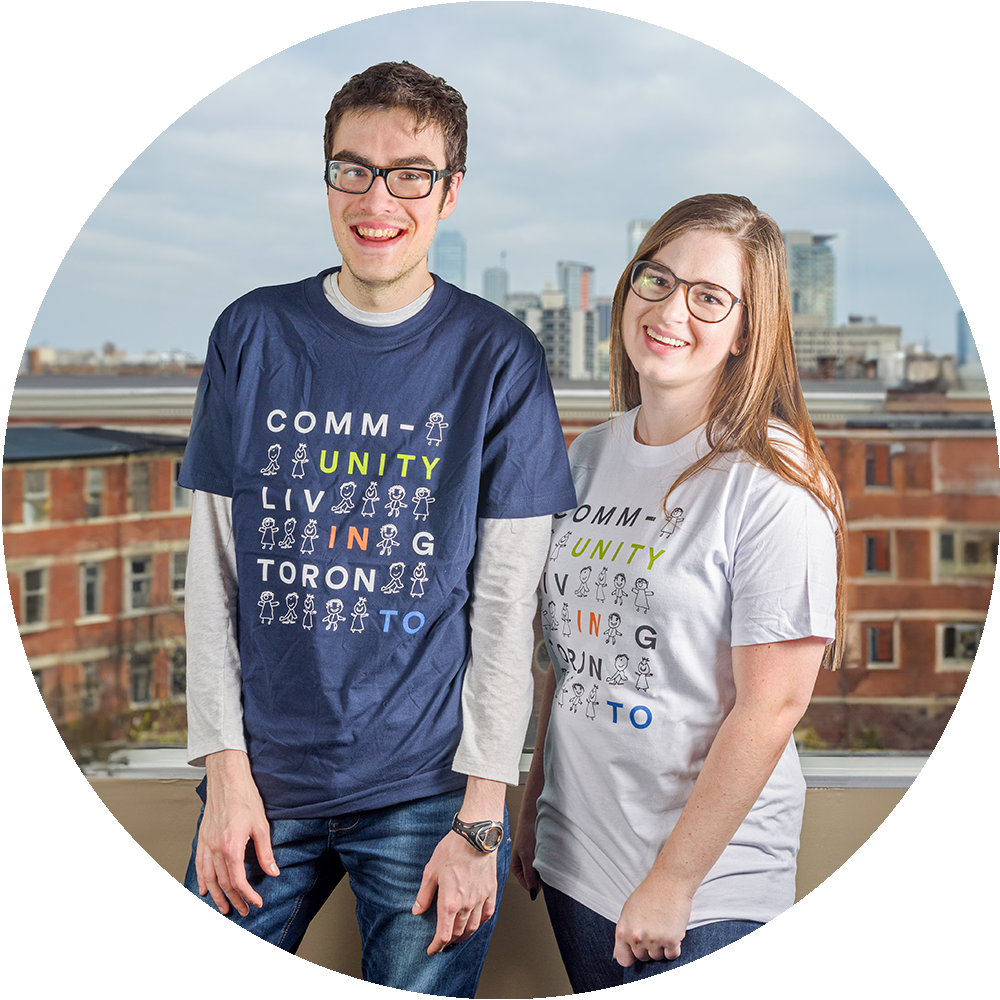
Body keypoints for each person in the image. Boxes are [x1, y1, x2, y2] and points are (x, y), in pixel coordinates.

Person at [178, 61, 576, 997]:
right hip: (261, 780)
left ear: (450, 190)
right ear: (326, 178)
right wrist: (225, 776)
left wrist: (481, 819)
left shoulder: (499, 356)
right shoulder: (254, 332)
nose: (377, 198)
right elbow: (214, 578)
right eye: (352, 169)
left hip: (425, 793)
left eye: (410, 173)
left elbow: (506, 605)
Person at [512, 193, 846, 991]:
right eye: (656, 280)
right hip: (576, 859)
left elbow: (771, 708)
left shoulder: (772, 482)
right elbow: (567, 654)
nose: (671, 310)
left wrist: (675, 879)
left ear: (746, 331)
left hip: (705, 885)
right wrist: (533, 803)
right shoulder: (586, 457)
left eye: (709, 297)